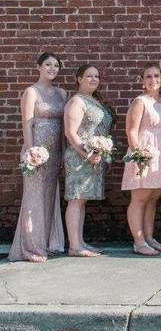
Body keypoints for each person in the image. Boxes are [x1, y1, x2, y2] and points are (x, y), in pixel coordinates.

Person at [9, 53, 67, 263]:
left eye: (56, 65)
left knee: (50, 197)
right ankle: (31, 247)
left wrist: (61, 152)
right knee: (34, 197)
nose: (52, 68)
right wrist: (31, 151)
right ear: (39, 67)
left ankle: (47, 242)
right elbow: (27, 123)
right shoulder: (31, 92)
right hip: (36, 150)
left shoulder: (62, 93)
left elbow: (63, 127)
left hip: (55, 152)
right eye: (48, 64)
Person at [122, 64, 161, 256]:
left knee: (153, 198)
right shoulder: (140, 101)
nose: (153, 80)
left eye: (156, 76)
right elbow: (131, 131)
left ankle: (149, 237)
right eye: (148, 77)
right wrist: (139, 156)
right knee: (139, 198)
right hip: (145, 151)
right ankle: (139, 241)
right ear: (143, 81)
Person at [62, 64, 115, 257]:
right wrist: (87, 154)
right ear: (79, 79)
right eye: (89, 76)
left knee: (82, 201)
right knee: (76, 200)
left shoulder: (94, 100)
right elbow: (70, 132)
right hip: (79, 157)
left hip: (94, 156)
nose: (93, 79)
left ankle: (80, 241)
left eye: (97, 76)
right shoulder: (77, 101)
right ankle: (74, 246)